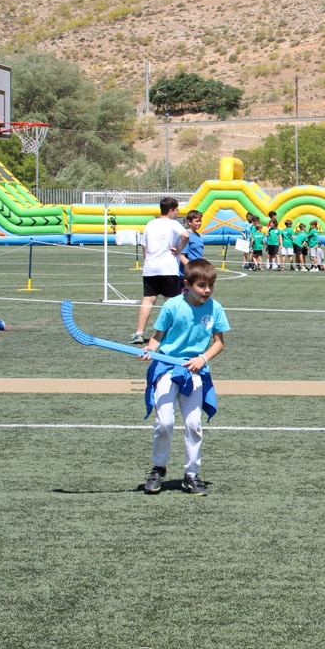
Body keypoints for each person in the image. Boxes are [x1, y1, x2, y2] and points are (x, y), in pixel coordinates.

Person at [139, 258, 229, 497]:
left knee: (193, 425)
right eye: (201, 285)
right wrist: (150, 349)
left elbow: (219, 343)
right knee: (165, 422)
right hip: (167, 367)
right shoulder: (172, 306)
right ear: (187, 285)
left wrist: (203, 358)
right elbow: (157, 337)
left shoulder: (215, 308)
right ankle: (158, 468)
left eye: (210, 285)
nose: (207, 290)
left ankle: (191, 474)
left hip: (194, 371)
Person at [132, 197, 189, 345]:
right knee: (171, 301)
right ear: (170, 210)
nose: (177, 212)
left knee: (148, 299)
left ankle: (139, 333)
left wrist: (148, 260)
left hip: (150, 267)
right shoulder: (173, 224)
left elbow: (144, 245)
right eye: (176, 210)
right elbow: (186, 235)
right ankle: (169, 333)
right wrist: (179, 249)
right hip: (168, 267)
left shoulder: (151, 224)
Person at [179, 210, 204, 281]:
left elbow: (199, 254)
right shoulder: (186, 235)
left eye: (200, 221)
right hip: (188, 275)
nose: (200, 223)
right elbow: (181, 256)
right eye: (197, 221)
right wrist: (192, 269)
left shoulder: (198, 236)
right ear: (189, 222)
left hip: (198, 272)